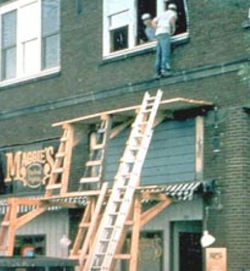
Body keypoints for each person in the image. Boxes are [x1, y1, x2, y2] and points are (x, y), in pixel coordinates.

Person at [152, 2, 178, 79]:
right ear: (174, 9)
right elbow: (171, 21)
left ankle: (157, 73)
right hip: (165, 32)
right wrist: (173, 29)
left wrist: (157, 28)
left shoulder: (162, 13)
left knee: (159, 53)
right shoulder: (173, 13)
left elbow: (153, 22)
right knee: (165, 52)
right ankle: (164, 70)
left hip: (158, 33)